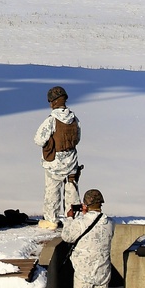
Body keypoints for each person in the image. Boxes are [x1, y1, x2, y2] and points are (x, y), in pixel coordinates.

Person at [60, 188, 114, 288]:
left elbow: (67, 236)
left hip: (83, 271)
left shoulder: (80, 222)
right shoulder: (109, 223)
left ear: (86, 204)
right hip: (103, 271)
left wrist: (70, 218)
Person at [33, 85, 81, 227]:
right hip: (71, 161)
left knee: (52, 191)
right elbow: (78, 138)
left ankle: (51, 220)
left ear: (53, 102)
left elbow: (38, 139)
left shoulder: (51, 120)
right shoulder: (74, 118)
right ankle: (73, 220)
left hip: (54, 162)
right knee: (72, 190)